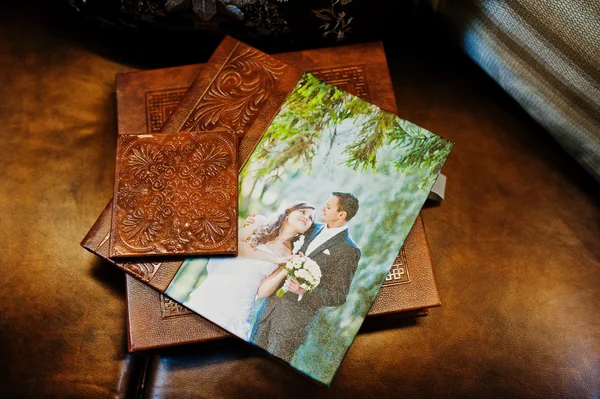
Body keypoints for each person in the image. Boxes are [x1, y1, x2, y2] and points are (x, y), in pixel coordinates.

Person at [250, 192, 361, 362]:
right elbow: (282, 233)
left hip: (292, 326)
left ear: (341, 214)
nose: (322, 208)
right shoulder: (309, 228)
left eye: (328, 207)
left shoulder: (349, 250)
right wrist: (256, 225)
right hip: (267, 311)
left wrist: (303, 291)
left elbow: (338, 295)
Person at [183, 201, 315, 340]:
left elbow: (262, 292)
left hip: (241, 303)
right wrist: (274, 259)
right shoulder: (259, 222)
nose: (306, 217)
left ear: (306, 230)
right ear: (289, 212)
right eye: (303, 212)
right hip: (218, 287)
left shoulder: (288, 253)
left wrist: (286, 268)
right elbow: (234, 246)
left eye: (311, 218)